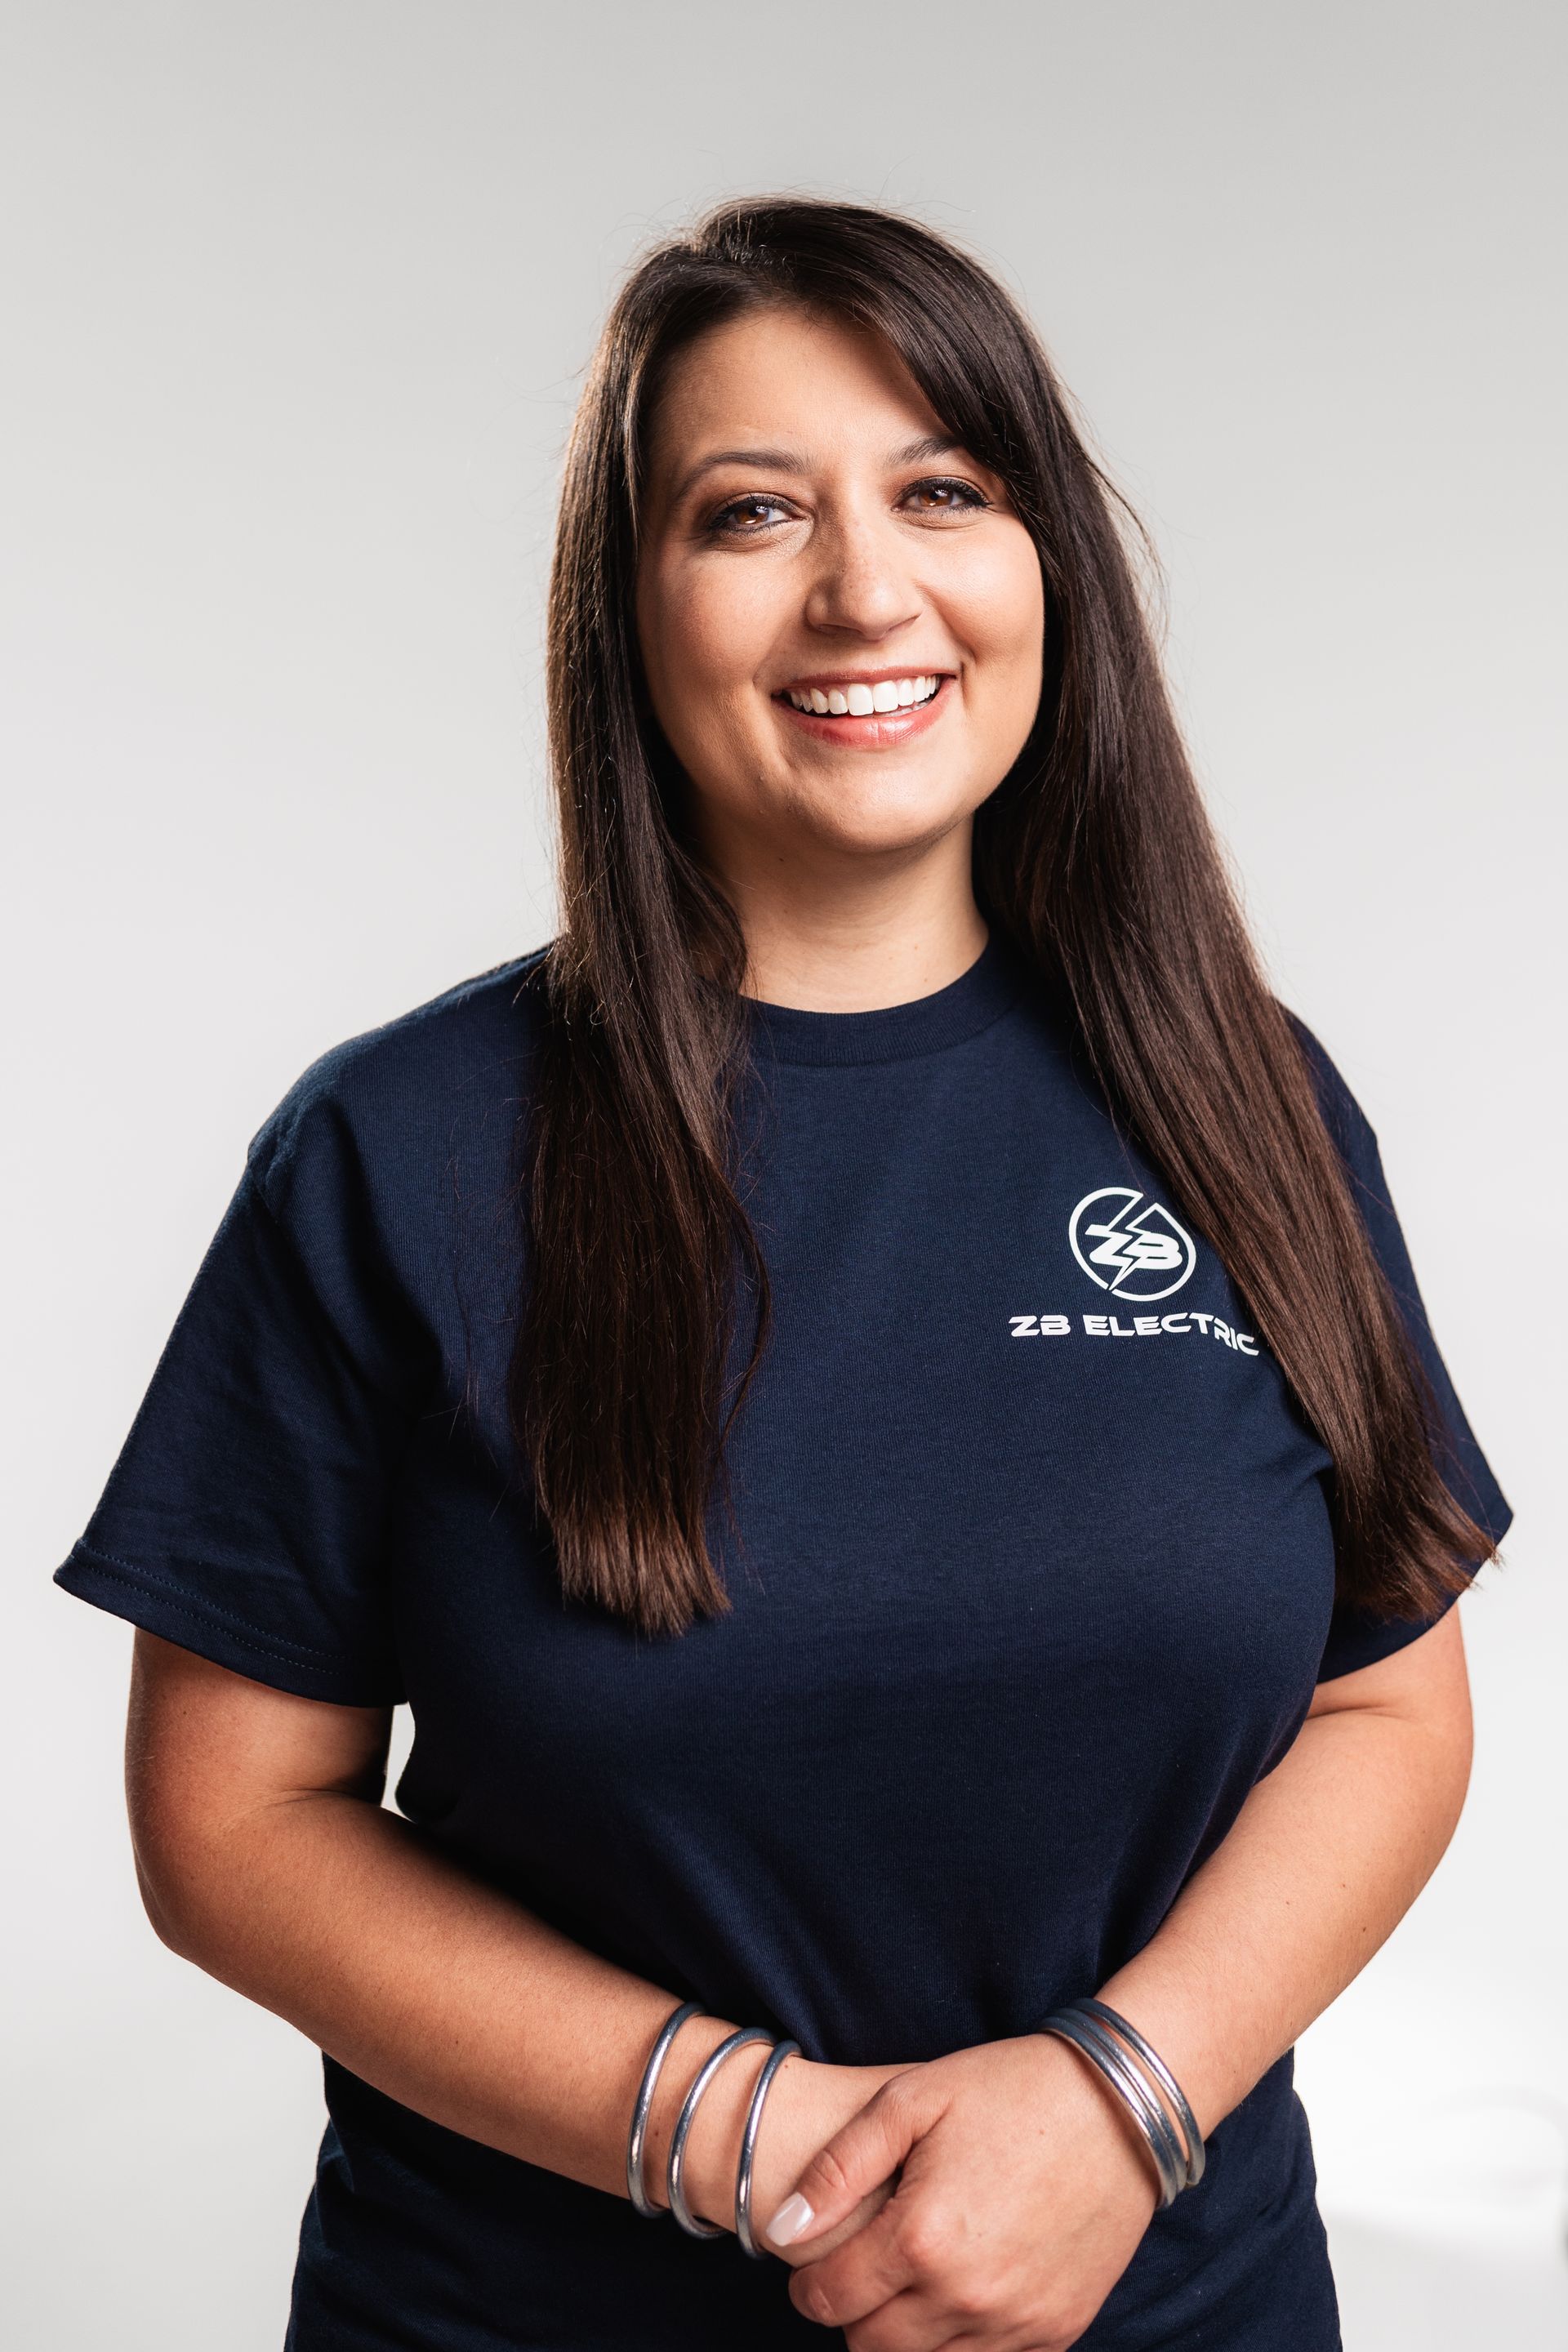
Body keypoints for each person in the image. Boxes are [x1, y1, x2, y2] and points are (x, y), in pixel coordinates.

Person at [58, 198, 1510, 2352]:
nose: (866, 587)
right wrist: (761, 2141)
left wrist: (1113, 2107)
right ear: (631, 610)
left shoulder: (1248, 1101)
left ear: (1046, 576)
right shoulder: (402, 1154)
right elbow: (234, 1822)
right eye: (753, 512)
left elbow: (1388, 1703)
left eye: (945, 489)